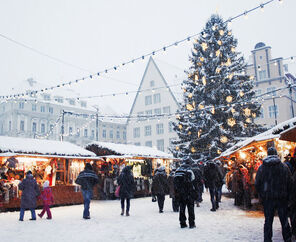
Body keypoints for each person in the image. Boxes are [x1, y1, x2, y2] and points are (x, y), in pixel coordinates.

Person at [255, 147, 292, 242]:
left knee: (268, 221)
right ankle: (287, 239)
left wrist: (262, 195)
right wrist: (288, 196)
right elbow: (290, 183)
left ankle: (267, 240)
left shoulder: (262, 168)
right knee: (284, 221)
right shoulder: (284, 167)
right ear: (276, 154)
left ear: (267, 154)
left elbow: (257, 183)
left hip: (268, 199)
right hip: (282, 198)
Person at [174, 161, 196, 228]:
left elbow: (174, 183)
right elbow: (193, 181)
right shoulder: (189, 171)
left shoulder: (177, 172)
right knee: (190, 209)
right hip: (189, 192)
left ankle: (182, 223)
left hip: (180, 193)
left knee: (182, 208)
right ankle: (191, 223)